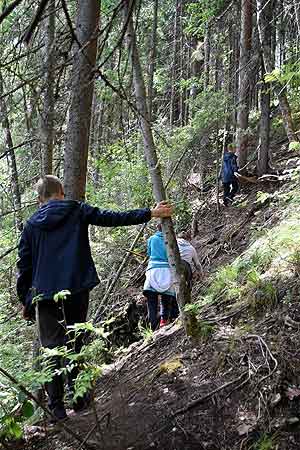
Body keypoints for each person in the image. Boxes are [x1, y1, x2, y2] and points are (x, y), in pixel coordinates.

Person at [16, 175, 172, 421]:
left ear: (39, 199)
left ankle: (56, 408)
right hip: (77, 289)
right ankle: (79, 399)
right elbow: (112, 218)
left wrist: (26, 301)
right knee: (75, 342)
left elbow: (24, 267)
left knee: (52, 349)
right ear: (62, 192)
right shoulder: (77, 210)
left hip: (45, 296)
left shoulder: (31, 225)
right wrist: (150, 213)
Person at [143, 224, 178, 330]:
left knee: (152, 302)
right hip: (167, 271)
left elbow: (149, 253)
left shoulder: (152, 239)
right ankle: (163, 321)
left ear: (157, 229)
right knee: (165, 300)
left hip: (153, 270)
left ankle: (153, 326)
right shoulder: (172, 240)